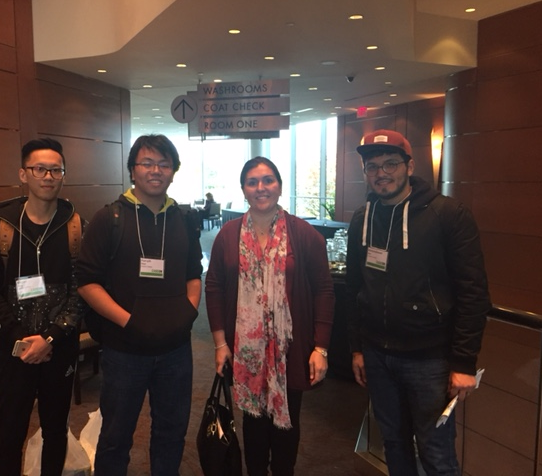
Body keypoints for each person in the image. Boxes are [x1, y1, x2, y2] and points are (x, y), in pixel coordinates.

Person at [346, 130, 491, 476]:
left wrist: (464, 363)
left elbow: (474, 293)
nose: (381, 173)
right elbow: (355, 290)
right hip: (377, 356)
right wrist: (357, 348)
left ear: (409, 167)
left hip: (430, 360)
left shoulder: (448, 215)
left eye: (390, 164)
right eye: (372, 167)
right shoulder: (362, 219)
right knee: (393, 443)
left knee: (436, 453)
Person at [75, 134, 203, 475]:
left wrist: (189, 312)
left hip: (176, 351)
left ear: (173, 171)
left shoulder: (183, 219)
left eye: (164, 164)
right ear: (133, 170)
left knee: (172, 433)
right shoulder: (109, 219)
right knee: (115, 436)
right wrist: (128, 321)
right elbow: (86, 282)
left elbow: (194, 274)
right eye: (147, 163)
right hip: (124, 350)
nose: (155, 170)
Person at [205, 156, 334, 476]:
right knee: (253, 423)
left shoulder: (304, 234)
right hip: (245, 351)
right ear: (243, 189)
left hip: (289, 349)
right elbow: (214, 288)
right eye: (252, 182)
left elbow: (323, 291)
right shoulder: (228, 235)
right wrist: (220, 344)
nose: (260, 188)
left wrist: (320, 348)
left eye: (268, 180)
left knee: (287, 424)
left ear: (279, 186)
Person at [0, 138, 85, 476]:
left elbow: (81, 292)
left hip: (59, 349)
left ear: (63, 175)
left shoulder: (75, 226)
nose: (48, 176)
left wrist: (49, 339)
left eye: (56, 170)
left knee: (56, 430)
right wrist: (22, 339)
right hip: (13, 351)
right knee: (10, 435)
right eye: (40, 169)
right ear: (23, 174)